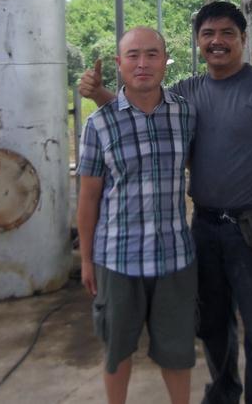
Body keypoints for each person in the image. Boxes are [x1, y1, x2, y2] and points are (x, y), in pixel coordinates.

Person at [81, 2, 252, 404]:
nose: (217, 41)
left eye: (227, 33)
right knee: (212, 325)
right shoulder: (188, 92)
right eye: (208, 34)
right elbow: (141, 113)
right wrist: (99, 94)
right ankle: (223, 394)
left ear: (243, 38)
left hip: (250, 228)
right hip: (202, 229)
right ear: (198, 41)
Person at [77, 26, 198, 404]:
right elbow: (88, 197)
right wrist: (86, 259)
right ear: (119, 63)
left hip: (174, 257)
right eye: (133, 55)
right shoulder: (99, 124)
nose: (142, 63)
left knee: (178, 352)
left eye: (151, 54)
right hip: (117, 258)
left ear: (165, 61)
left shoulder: (185, 114)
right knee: (117, 351)